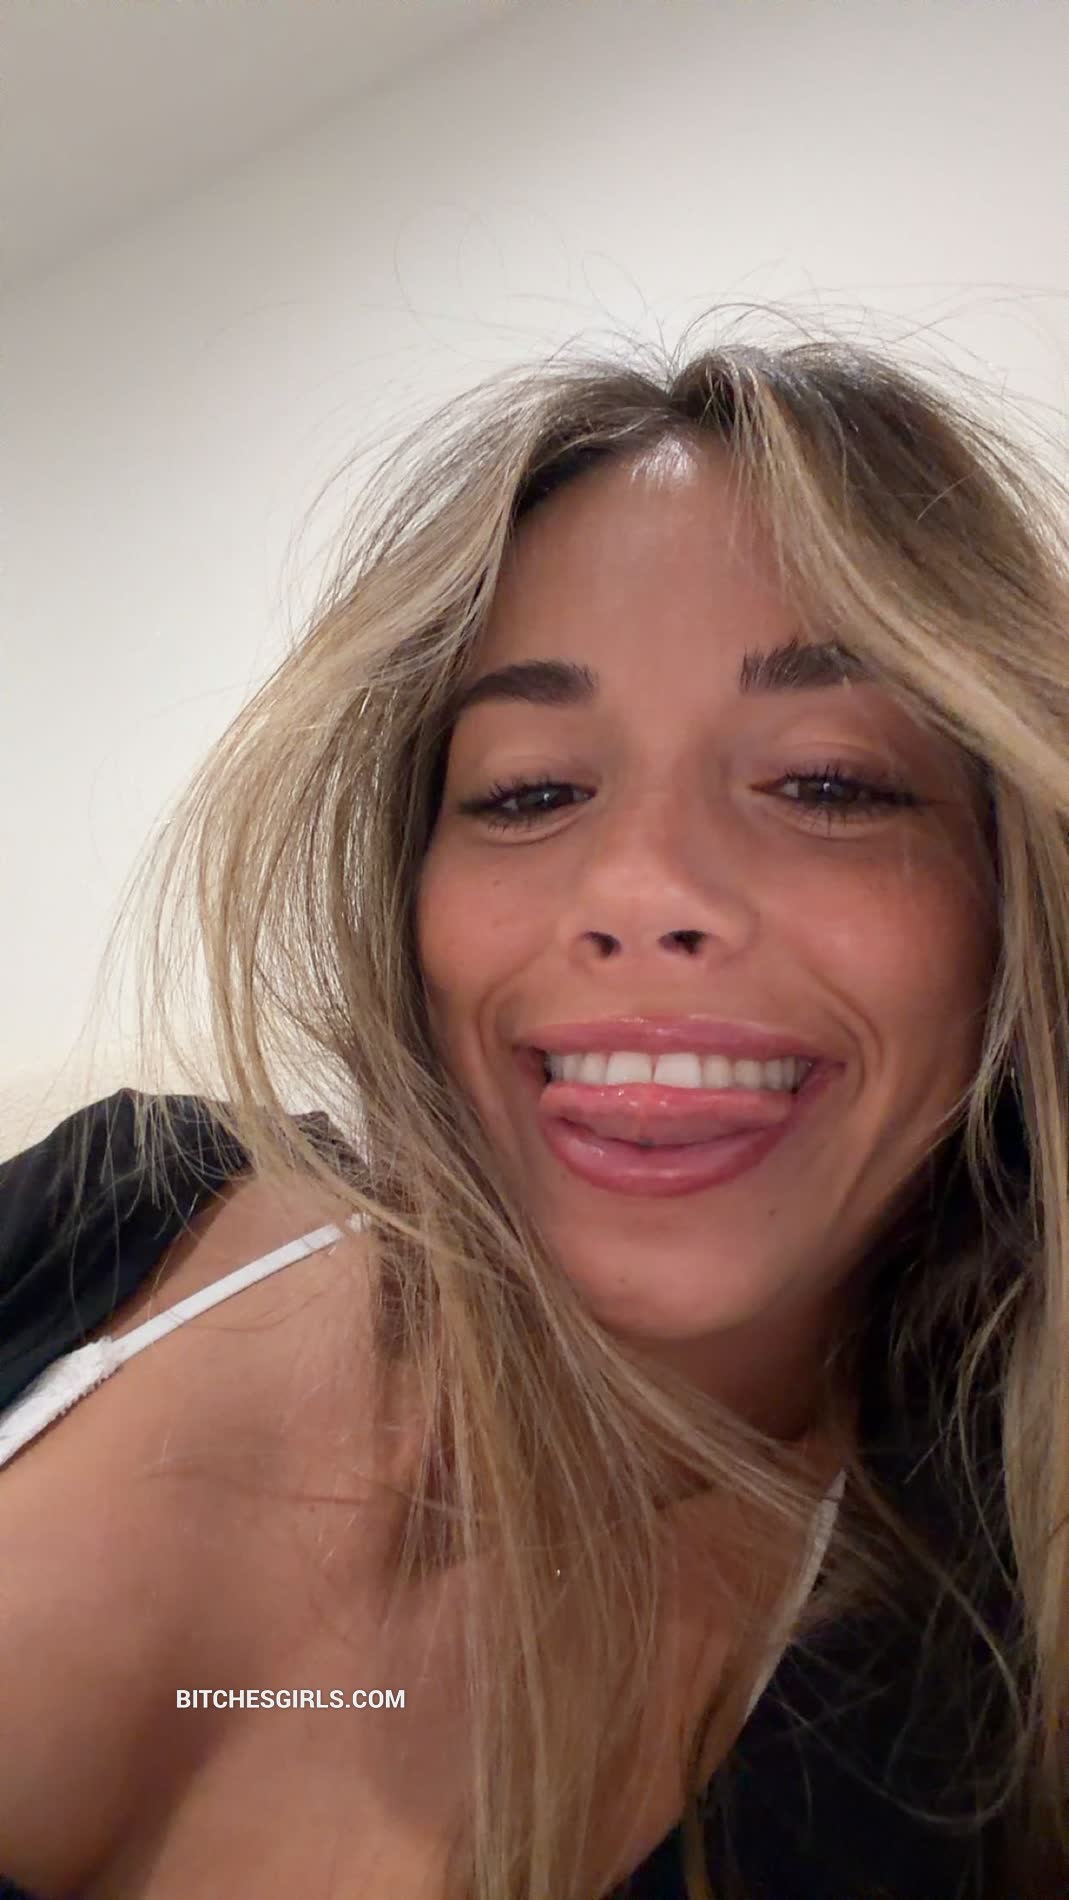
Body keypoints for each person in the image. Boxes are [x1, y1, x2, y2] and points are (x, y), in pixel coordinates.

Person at [1, 320, 1066, 1900]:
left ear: (1010, 905)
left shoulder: (977, 1736)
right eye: (529, 791)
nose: (639, 892)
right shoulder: (109, 1205)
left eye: (829, 783)